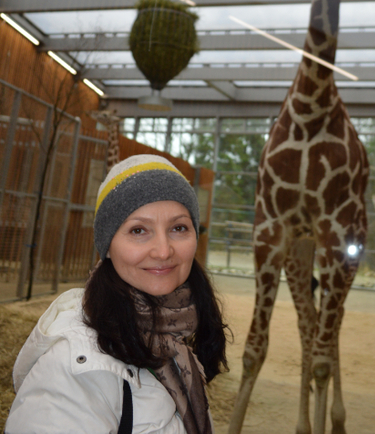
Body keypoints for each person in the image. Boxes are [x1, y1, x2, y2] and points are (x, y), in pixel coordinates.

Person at [6, 154, 229, 434]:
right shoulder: (74, 368)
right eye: (139, 230)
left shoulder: (174, 339)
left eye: (178, 228)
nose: (163, 251)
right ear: (108, 246)